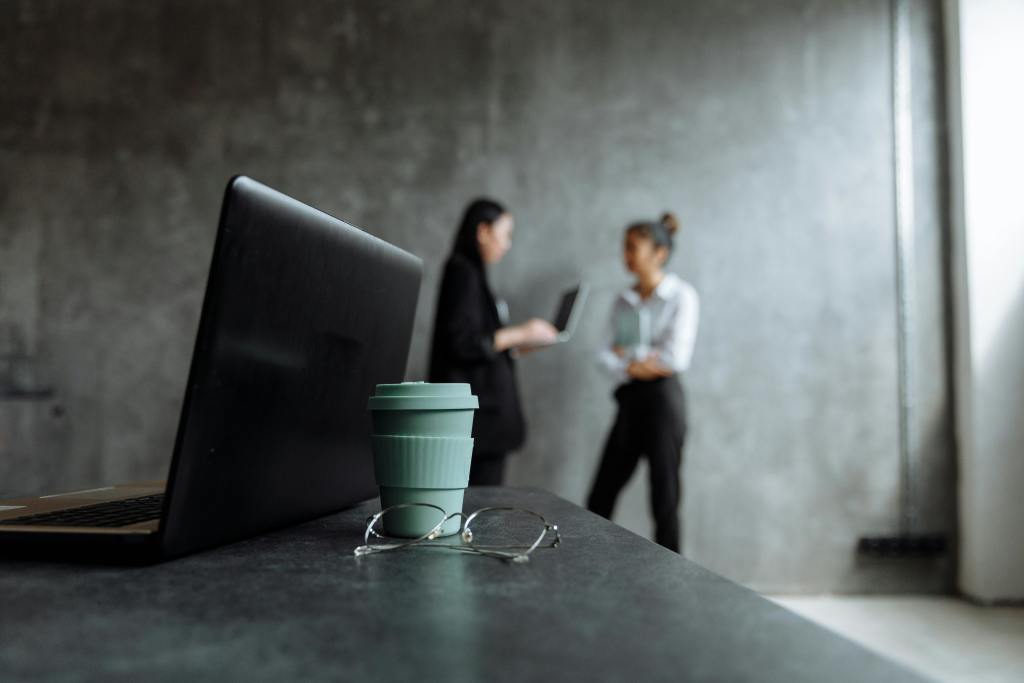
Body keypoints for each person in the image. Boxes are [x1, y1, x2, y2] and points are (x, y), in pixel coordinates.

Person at [586, 212, 699, 552]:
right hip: (630, 400)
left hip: (664, 403)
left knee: (664, 499)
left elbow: (675, 359)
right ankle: (586, 569)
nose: (626, 256)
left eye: (633, 248)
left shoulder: (681, 296)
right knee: (600, 495)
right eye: (625, 248)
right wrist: (640, 363)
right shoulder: (624, 300)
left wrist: (627, 359)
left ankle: (671, 585)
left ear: (659, 253)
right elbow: (603, 356)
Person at [428, 198, 559, 485]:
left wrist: (513, 347)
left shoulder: (471, 272)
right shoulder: (462, 271)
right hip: (477, 423)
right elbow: (463, 342)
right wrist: (522, 332)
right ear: (483, 231)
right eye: (506, 234)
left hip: (482, 423)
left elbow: (479, 341)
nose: (507, 244)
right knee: (478, 506)